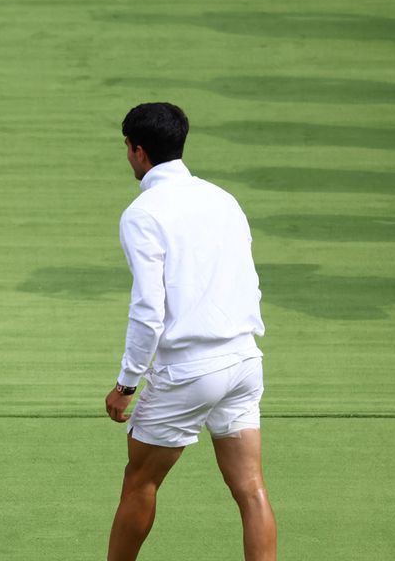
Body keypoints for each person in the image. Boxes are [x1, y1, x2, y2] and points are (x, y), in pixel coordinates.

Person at [104, 103, 277, 560]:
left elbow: (148, 309)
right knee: (251, 488)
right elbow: (249, 279)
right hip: (244, 362)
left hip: (189, 371)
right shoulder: (224, 199)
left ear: (138, 152)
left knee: (140, 482)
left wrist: (126, 383)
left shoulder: (142, 214)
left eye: (126, 148)